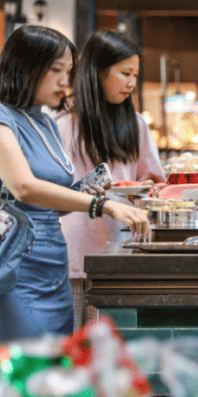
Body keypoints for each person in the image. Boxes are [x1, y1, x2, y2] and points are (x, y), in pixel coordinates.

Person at [0, 26, 150, 340]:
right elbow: (24, 188)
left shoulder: (46, 121)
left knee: (58, 364)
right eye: (56, 70)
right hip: (15, 268)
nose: (66, 80)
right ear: (26, 68)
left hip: (54, 265)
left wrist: (80, 193)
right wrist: (101, 205)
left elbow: (47, 203)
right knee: (26, 364)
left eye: (70, 71)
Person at [56, 30, 165, 328]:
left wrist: (151, 191)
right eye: (125, 73)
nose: (132, 82)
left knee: (107, 353)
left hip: (119, 252)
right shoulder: (63, 123)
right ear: (98, 73)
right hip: (70, 255)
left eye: (135, 74)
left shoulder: (136, 124)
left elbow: (153, 180)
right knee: (68, 350)